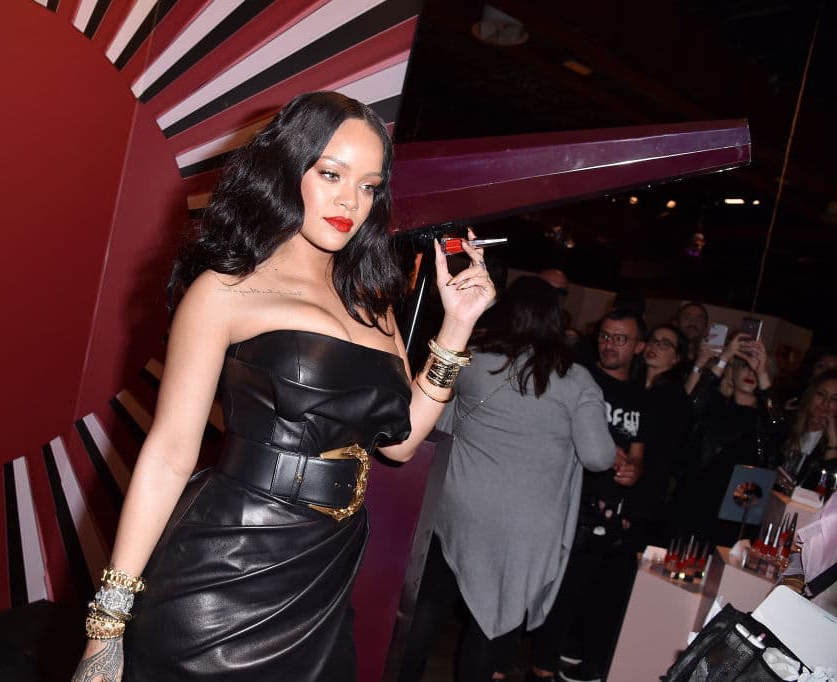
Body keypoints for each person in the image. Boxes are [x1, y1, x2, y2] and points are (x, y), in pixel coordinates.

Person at [68, 92, 496, 682]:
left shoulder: (372, 301)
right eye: (331, 174)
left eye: (369, 186)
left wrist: (456, 328)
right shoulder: (226, 291)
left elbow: (399, 443)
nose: (350, 201)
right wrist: (106, 626)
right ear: (287, 169)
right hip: (225, 573)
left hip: (326, 572)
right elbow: (168, 455)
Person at [397, 277, 615, 682]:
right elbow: (599, 457)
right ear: (556, 321)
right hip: (523, 527)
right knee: (494, 622)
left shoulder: (473, 360)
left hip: (457, 507)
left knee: (427, 604)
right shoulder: (575, 380)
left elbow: (435, 417)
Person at [534, 309, 646, 682]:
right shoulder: (580, 377)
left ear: (638, 347)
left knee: (582, 599)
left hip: (605, 518)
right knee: (550, 593)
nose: (609, 344)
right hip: (564, 503)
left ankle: (548, 667)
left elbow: (638, 452)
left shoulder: (639, 395)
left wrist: (633, 470)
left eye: (620, 338)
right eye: (605, 336)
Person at [667, 333, 785, 546]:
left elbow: (779, 431)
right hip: (693, 503)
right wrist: (724, 357)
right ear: (732, 372)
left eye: (755, 368)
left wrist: (762, 371)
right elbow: (691, 407)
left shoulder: (764, 423)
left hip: (734, 515)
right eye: (744, 366)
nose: (750, 372)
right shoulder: (714, 405)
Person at [633, 324, 692, 546]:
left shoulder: (674, 397)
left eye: (665, 344)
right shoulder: (630, 382)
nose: (655, 346)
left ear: (676, 358)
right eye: (653, 340)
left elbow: (666, 451)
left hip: (647, 489)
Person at [778, 369, 837, 489]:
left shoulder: (833, 442)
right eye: (821, 394)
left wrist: (832, 442)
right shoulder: (787, 426)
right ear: (810, 395)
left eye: (834, 399)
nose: (825, 403)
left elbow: (828, 487)